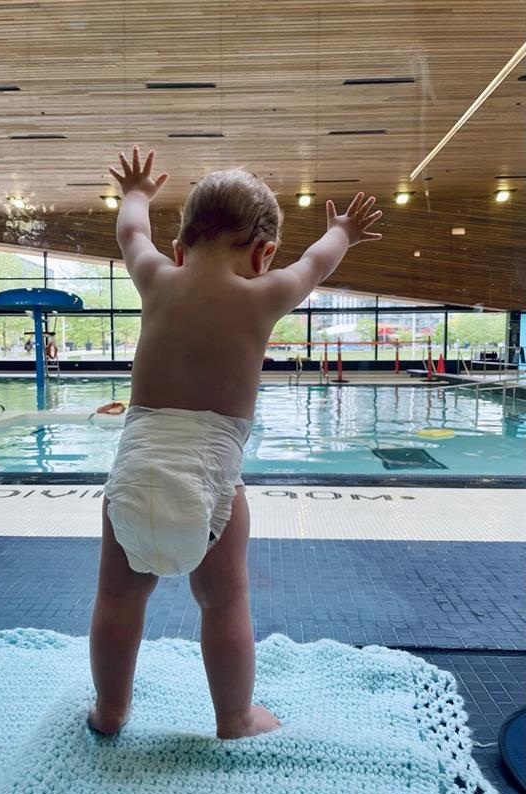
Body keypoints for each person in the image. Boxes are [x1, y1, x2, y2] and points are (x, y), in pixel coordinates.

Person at [88, 145, 382, 740]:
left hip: (135, 473)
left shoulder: (156, 278)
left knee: (118, 599)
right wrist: (343, 232)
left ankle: (111, 709)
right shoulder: (263, 294)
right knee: (223, 602)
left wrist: (136, 193)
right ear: (263, 254)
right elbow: (316, 264)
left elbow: (130, 234)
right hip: (212, 482)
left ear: (179, 248)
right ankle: (234, 717)